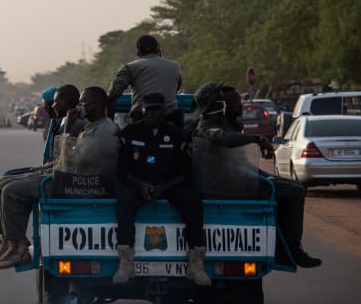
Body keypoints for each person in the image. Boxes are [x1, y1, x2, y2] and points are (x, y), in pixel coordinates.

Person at [192, 83, 322, 268]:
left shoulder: (228, 124)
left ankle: (284, 245)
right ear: (220, 105)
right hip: (230, 184)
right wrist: (257, 138)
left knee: (290, 187)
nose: (241, 107)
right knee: (294, 191)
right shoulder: (207, 127)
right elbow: (224, 139)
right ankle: (293, 250)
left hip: (240, 177)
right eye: (235, 103)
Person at [0, 86, 119, 269]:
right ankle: (12, 241)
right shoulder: (92, 127)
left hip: (80, 185)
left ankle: (19, 248)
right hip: (74, 179)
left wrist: (66, 129)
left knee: (12, 190)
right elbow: (68, 160)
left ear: (97, 105)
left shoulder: (103, 131)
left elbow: (69, 160)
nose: (79, 106)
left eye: (83, 103)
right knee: (8, 182)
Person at [113, 92, 211, 285]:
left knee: (192, 200)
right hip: (139, 183)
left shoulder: (176, 134)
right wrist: (141, 185)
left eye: (156, 109)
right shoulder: (129, 133)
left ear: (163, 111)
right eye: (148, 109)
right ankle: (126, 261)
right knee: (124, 200)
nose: (152, 113)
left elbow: (184, 172)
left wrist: (163, 187)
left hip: (169, 184)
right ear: (142, 110)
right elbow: (122, 170)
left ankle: (196, 262)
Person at [107, 34, 183, 127]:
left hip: (141, 119)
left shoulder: (129, 67)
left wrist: (109, 124)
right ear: (158, 49)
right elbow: (176, 89)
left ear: (138, 53)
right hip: (171, 119)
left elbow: (113, 94)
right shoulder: (175, 66)